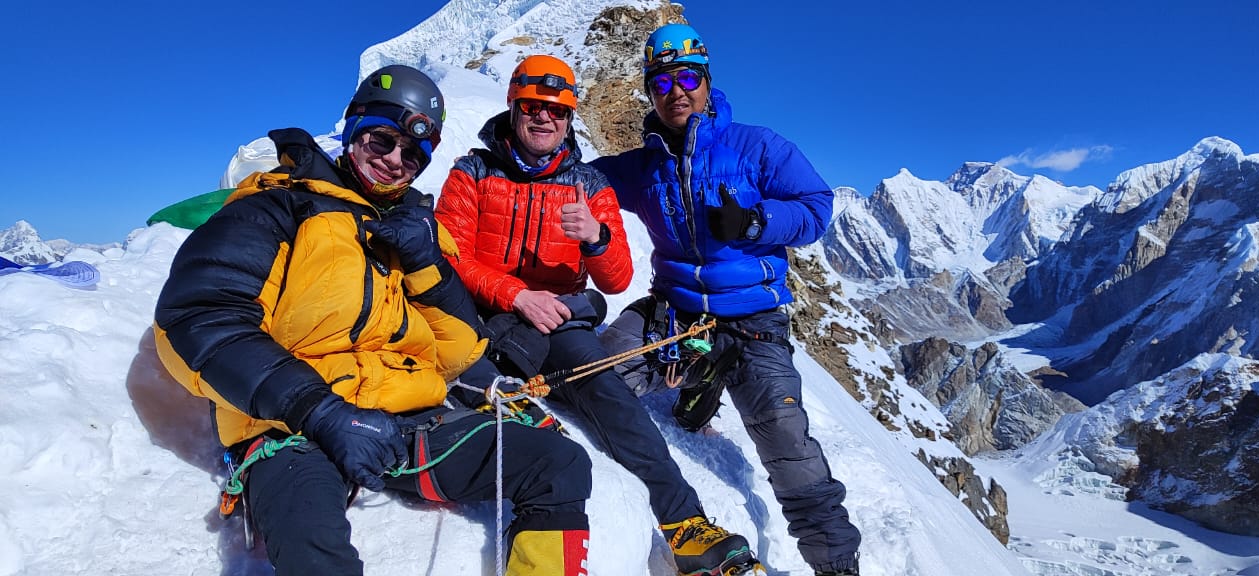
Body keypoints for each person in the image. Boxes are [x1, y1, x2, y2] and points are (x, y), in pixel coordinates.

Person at [153, 64, 591, 576]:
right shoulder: (278, 207)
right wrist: (320, 412)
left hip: (402, 421)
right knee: (314, 545)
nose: (394, 161)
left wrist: (430, 268)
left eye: (413, 154)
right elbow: (199, 318)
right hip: (294, 427)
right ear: (355, 127)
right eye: (382, 140)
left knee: (558, 465)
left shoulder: (414, 228)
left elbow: (458, 352)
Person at [434, 55, 761, 576]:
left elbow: (614, 279)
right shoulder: (472, 172)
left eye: (557, 112)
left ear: (568, 118)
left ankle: (685, 525)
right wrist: (516, 295)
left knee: (611, 398)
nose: (545, 120)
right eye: (533, 108)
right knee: (469, 385)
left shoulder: (588, 184)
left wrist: (597, 237)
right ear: (514, 108)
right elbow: (448, 256)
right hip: (478, 315)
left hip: (561, 322)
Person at [590, 24, 864, 576]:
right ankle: (700, 383)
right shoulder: (643, 166)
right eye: (662, 82)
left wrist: (758, 220)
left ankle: (836, 565)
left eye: (687, 77)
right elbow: (578, 178)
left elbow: (816, 207)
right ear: (650, 91)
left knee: (787, 443)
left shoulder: (757, 146)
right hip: (676, 311)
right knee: (601, 376)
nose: (676, 91)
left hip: (753, 320)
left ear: (707, 81)